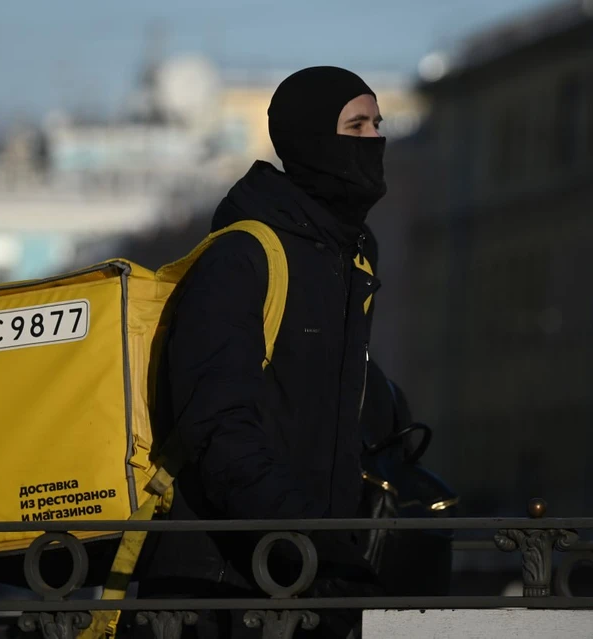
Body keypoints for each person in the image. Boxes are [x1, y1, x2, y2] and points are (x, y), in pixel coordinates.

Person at [134, 66, 393, 638]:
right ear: (309, 138)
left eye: (378, 124)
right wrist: (306, 542)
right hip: (219, 591)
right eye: (356, 126)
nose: (375, 140)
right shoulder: (242, 258)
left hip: (306, 582)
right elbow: (218, 429)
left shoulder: (349, 260)